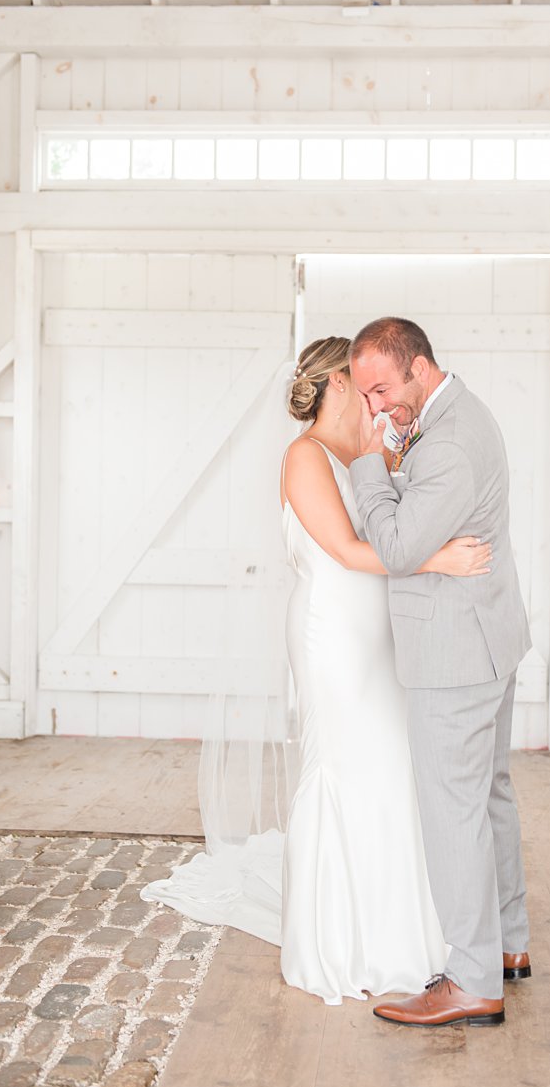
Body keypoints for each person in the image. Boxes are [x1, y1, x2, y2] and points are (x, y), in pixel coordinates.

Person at [142, 335, 494, 1006]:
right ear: (335, 386)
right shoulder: (304, 456)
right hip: (332, 632)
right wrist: (439, 560)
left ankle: (405, 936)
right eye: (363, 389)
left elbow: (401, 521)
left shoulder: (363, 455)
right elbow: (346, 548)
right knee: (343, 766)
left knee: (393, 768)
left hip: (378, 635)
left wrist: (401, 455)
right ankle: (337, 941)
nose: (374, 400)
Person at [346, 317, 534, 1029]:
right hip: (487, 637)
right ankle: (508, 948)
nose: (375, 409)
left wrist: (369, 466)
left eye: (383, 390)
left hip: (455, 654)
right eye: (364, 396)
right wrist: (396, 453)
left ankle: (472, 978)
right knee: (488, 798)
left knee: (453, 815)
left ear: (420, 367)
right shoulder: (452, 412)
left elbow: (396, 546)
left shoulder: (449, 442)